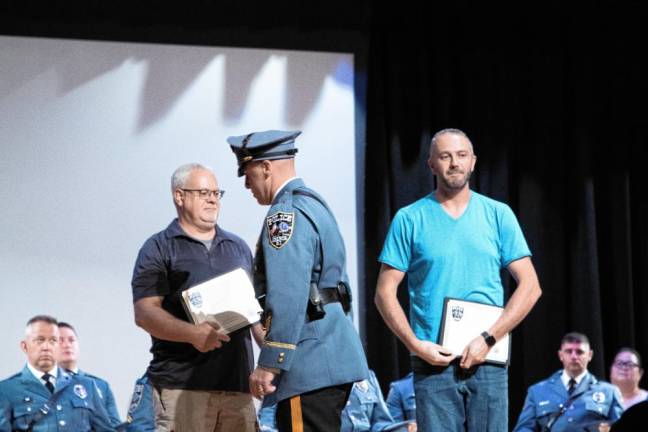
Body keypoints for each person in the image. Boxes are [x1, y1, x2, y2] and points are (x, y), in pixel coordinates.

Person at [374, 127, 542, 431]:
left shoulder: (498, 214)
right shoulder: (409, 218)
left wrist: (488, 338)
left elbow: (531, 287)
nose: (454, 163)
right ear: (431, 164)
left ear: (473, 162)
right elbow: (384, 293)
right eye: (445, 156)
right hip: (432, 362)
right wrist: (415, 345)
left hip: (487, 358)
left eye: (461, 155)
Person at [229, 130, 368, 431]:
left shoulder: (285, 213)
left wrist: (270, 362)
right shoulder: (316, 205)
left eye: (247, 172)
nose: (245, 183)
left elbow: (288, 294)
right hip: (331, 352)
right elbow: (339, 288)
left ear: (265, 167)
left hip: (307, 364)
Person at [131, 163, 261, 431]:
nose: (213, 199)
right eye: (203, 192)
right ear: (179, 196)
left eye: (216, 192)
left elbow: (254, 312)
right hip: (183, 388)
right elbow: (145, 313)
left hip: (237, 389)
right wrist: (192, 333)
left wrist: (272, 359)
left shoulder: (238, 247)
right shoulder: (158, 248)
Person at [0, 315, 115, 432]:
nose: (46, 347)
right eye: (39, 340)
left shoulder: (87, 386)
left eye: (53, 341)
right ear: (25, 346)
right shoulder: (6, 390)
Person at [513, 332, 624, 431]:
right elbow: (524, 428)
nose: (574, 356)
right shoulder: (538, 391)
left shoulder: (608, 392)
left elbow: (622, 427)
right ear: (561, 355)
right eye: (568, 351)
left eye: (579, 352)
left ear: (590, 355)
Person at [258, 370, 411, 432]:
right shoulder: (288, 377)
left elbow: (379, 423)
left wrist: (404, 428)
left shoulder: (365, 374)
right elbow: (267, 426)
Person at [57, 321, 122, 427]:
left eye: (71, 340)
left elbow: (114, 425)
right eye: (60, 341)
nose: (67, 345)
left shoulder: (99, 385)